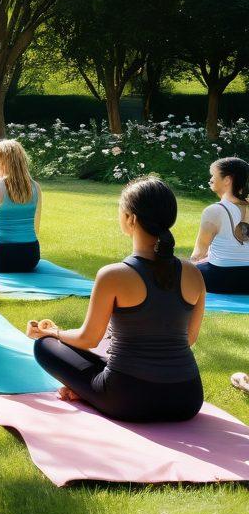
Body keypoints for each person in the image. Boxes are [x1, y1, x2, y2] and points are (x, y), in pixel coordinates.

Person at [27, 176, 205, 423]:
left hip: (129, 399)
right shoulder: (194, 274)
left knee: (45, 346)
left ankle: (85, 392)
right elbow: (189, 338)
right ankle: (87, 389)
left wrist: (53, 333)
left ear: (131, 219)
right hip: (186, 399)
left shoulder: (113, 275)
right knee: (101, 360)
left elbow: (89, 338)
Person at [0, 138, 43, 273]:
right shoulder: (35, 187)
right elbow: (35, 227)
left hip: (1, 258)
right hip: (31, 257)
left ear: (4, 162)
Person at [190, 157, 249, 294]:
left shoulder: (214, 211)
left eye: (213, 175)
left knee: (184, 269)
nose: (210, 179)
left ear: (227, 180)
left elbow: (199, 253)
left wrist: (189, 267)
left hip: (219, 279)